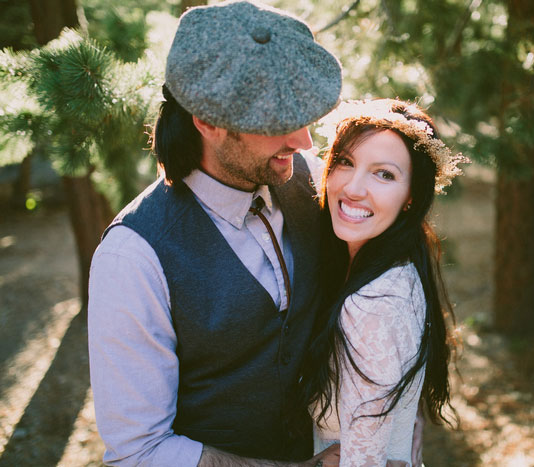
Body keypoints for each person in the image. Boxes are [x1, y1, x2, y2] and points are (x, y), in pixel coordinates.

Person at [87, 1, 344, 465]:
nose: (304, 141)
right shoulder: (132, 256)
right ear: (206, 122)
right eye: (278, 122)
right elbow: (139, 451)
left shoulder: (309, 180)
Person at [297, 99, 467, 466]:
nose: (353, 188)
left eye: (384, 174)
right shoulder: (402, 266)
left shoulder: (370, 304)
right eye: (345, 161)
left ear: (411, 198)